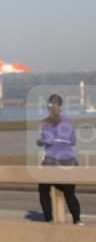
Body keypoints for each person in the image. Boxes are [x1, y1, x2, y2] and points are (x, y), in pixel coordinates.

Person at [36, 94, 83, 225]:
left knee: (43, 189)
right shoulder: (68, 121)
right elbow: (73, 142)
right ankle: (77, 219)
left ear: (48, 107)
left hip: (52, 160)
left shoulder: (46, 123)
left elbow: (47, 140)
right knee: (69, 192)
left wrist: (40, 141)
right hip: (69, 160)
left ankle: (49, 218)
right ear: (61, 107)